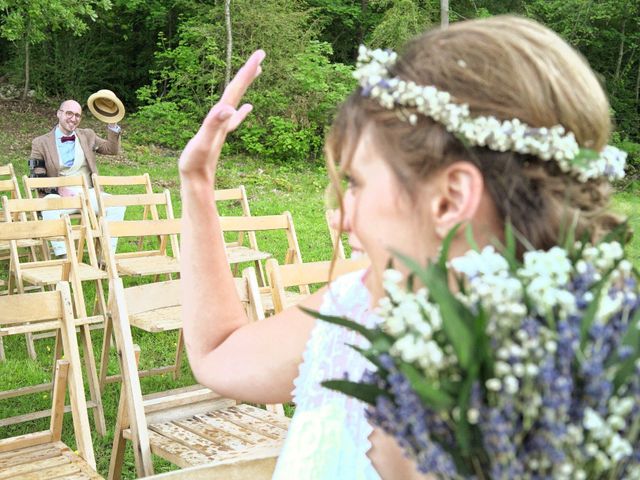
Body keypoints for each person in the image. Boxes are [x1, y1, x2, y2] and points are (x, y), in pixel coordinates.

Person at [178, 15, 624, 479]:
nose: (341, 217)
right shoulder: (355, 312)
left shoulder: (571, 410)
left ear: (450, 199)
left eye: (357, 183)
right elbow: (217, 351)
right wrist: (196, 183)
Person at [29, 99, 126, 257]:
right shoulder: (40, 142)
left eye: (77, 115)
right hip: (60, 195)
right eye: (69, 113)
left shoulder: (87, 135)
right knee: (48, 208)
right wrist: (57, 188)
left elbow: (111, 149)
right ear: (59, 114)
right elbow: (35, 176)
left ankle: (106, 256)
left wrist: (112, 124)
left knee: (117, 205)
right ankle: (65, 256)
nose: (73, 119)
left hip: (88, 193)